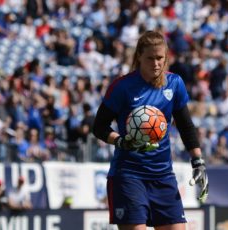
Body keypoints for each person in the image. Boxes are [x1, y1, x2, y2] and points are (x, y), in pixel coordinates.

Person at [92, 30, 208, 230]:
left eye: (160, 58)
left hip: (163, 176)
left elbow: (185, 125)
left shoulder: (175, 84)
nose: (156, 63)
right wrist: (121, 141)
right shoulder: (122, 87)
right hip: (128, 176)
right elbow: (99, 127)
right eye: (150, 58)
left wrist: (197, 162)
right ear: (139, 57)